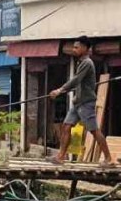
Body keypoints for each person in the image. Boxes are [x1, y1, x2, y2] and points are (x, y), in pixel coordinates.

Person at [49, 36, 115, 166]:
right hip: (77, 102)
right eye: (74, 47)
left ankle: (108, 158)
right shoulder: (81, 62)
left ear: (85, 48)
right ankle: (61, 157)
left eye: (76, 47)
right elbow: (78, 82)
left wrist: (60, 90)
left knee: (94, 130)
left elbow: (76, 80)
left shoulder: (87, 63)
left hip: (86, 102)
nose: (74, 49)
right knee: (66, 126)